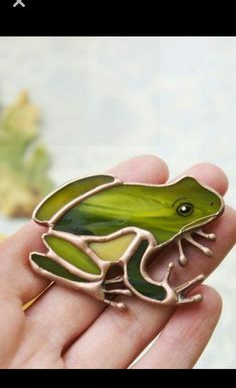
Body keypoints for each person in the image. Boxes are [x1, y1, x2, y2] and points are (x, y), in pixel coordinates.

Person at [0, 155, 235, 369]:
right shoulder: (143, 234)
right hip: (73, 240)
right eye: (185, 210)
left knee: (109, 182)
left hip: (76, 210)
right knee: (96, 274)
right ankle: (93, 283)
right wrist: (167, 295)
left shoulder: (152, 213)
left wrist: (182, 230)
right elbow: (134, 275)